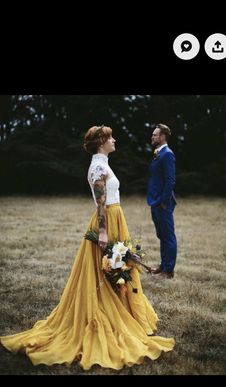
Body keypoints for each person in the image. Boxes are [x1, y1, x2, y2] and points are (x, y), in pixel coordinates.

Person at [0, 125, 174, 370]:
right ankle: (107, 315)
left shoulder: (103, 163)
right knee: (107, 272)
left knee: (120, 269)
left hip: (116, 220)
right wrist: (103, 232)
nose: (115, 140)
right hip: (107, 222)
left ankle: (126, 312)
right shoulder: (98, 167)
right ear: (101, 141)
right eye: (111, 137)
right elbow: (101, 203)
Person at [147, 123, 177, 279]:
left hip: (162, 202)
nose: (152, 137)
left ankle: (168, 271)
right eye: (152, 134)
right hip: (155, 201)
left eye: (155, 134)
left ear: (163, 137)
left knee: (168, 236)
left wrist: (163, 201)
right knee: (162, 235)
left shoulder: (167, 154)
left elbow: (170, 180)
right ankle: (163, 266)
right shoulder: (158, 153)